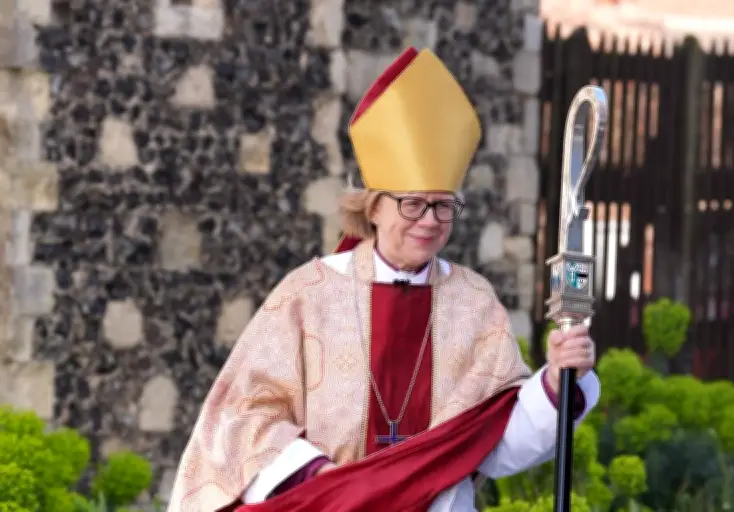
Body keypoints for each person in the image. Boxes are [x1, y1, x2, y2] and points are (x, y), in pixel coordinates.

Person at [167, 46, 601, 512]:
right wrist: (328, 480)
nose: (429, 221)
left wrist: (557, 381)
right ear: (373, 207)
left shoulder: (472, 302)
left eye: (442, 205)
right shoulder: (310, 293)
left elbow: (496, 442)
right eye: (413, 204)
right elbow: (244, 416)